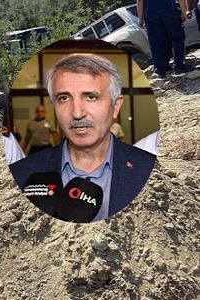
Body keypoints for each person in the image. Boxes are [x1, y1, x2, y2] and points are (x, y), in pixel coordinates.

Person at [10, 54, 156, 222]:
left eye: (91, 97)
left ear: (116, 106)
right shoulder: (23, 174)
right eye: (64, 98)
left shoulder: (148, 169)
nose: (77, 113)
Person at [137, 0, 193, 77]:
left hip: (151, 13)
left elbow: (140, 1)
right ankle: (179, 66)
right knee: (177, 38)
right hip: (169, 10)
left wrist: (140, 18)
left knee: (156, 42)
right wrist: (184, 11)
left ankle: (161, 69)